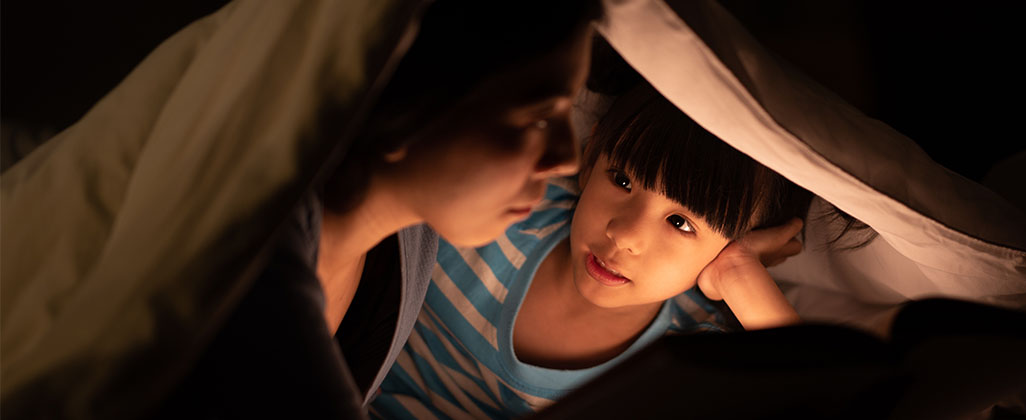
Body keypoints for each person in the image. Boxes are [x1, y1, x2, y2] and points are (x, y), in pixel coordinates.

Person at [148, 1, 604, 419]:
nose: (567, 157)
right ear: (415, 100)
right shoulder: (243, 261)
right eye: (538, 118)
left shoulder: (407, 243)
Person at [369, 85, 818, 419]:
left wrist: (739, 272)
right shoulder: (506, 210)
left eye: (681, 223)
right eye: (621, 180)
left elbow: (813, 395)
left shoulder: (687, 360)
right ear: (590, 159)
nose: (623, 235)